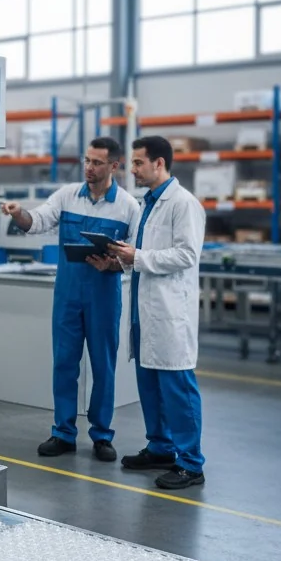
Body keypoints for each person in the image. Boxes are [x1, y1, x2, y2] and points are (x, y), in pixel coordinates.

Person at [1, 137, 139, 461]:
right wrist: (18, 212)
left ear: (114, 166)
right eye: (87, 160)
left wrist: (114, 263)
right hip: (68, 295)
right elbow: (36, 222)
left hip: (105, 294)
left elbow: (135, 254)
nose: (89, 168)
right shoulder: (66, 197)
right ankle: (63, 433)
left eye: (97, 162)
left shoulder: (128, 207)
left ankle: (102, 436)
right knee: (64, 363)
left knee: (103, 366)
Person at [108, 135, 207, 490]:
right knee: (149, 384)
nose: (132, 169)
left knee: (177, 388)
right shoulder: (147, 204)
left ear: (159, 164)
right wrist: (120, 259)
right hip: (144, 310)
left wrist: (139, 258)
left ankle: (191, 464)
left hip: (169, 314)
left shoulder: (183, 204)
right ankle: (162, 448)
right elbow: (144, 253)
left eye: (138, 163)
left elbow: (186, 255)